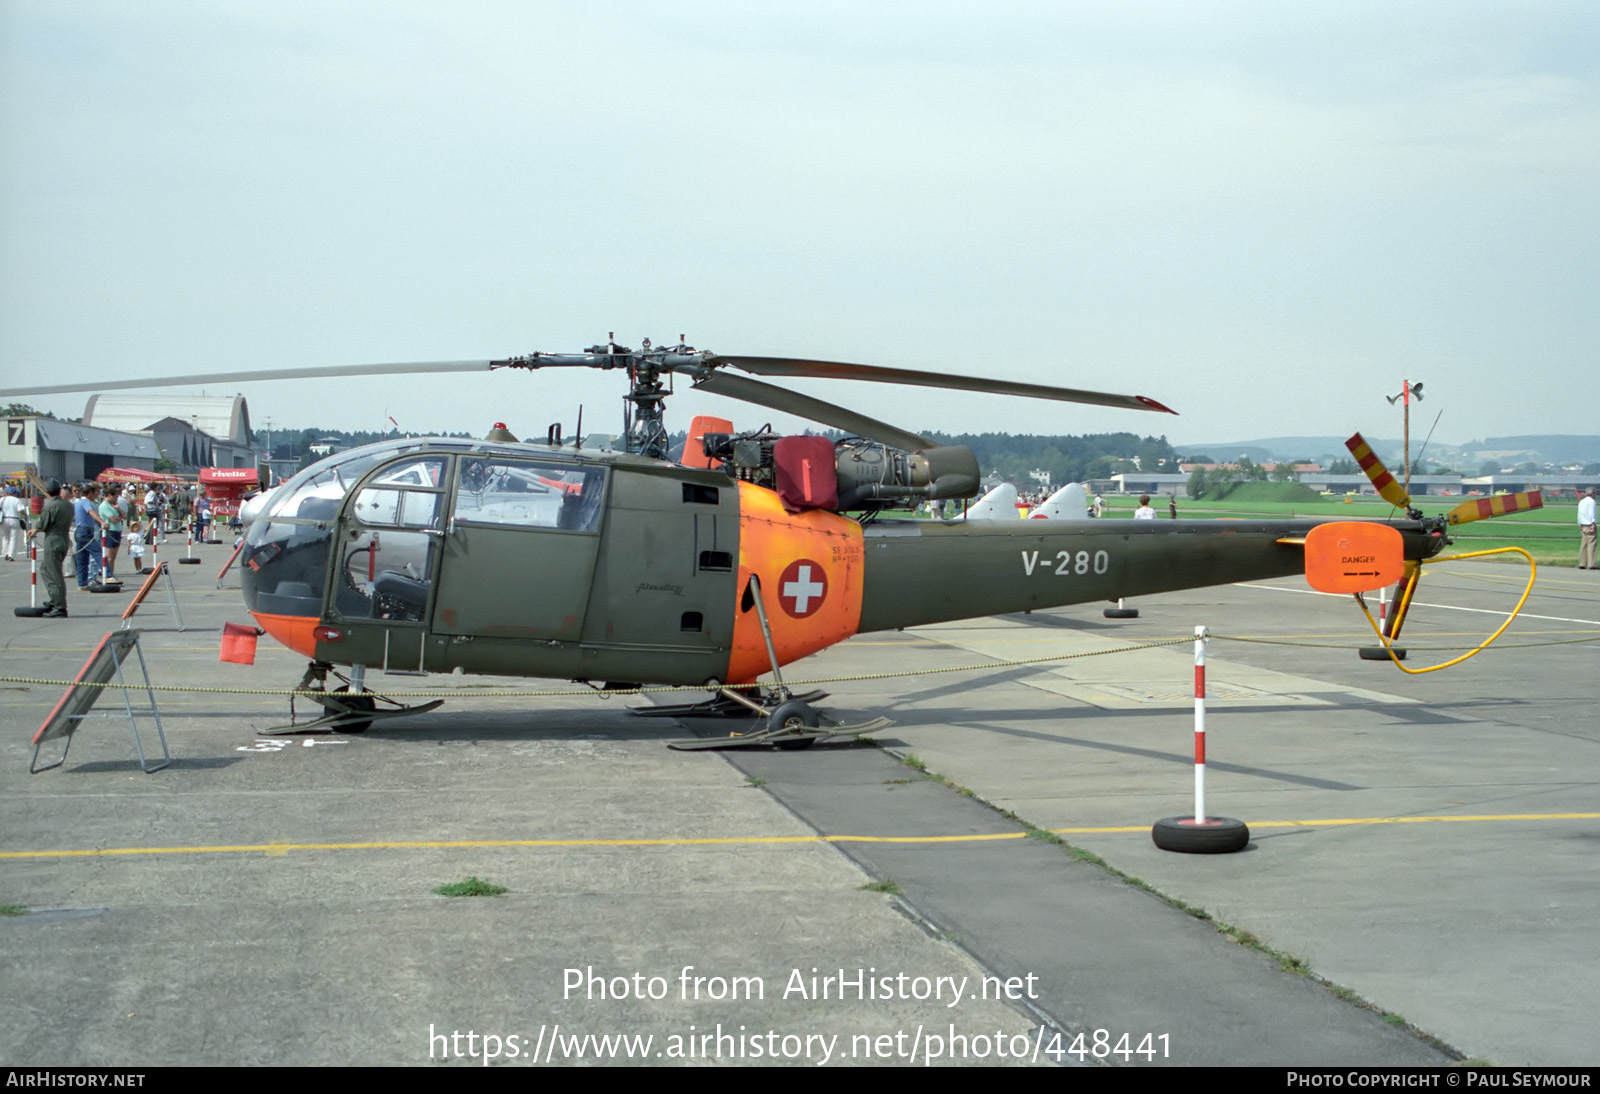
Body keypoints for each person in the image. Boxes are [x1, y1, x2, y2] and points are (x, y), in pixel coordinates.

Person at [28, 480, 72, 616]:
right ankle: (55, 599)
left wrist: (35, 529)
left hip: (53, 539)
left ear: (47, 491)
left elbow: (43, 524)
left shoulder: (50, 506)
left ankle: (59, 607)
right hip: (64, 538)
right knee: (46, 569)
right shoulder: (68, 505)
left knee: (54, 574)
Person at [73, 483, 106, 587]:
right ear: (90, 493)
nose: (97, 494)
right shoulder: (86, 502)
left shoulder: (82, 502)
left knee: (82, 559)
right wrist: (102, 522)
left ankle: (82, 583)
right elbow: (91, 512)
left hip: (82, 530)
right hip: (86, 531)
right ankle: (108, 575)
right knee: (98, 553)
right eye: (95, 492)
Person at [99, 484, 124, 581]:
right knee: (109, 557)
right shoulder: (104, 506)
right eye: (115, 497)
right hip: (110, 532)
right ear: (109, 495)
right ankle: (107, 575)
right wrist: (119, 517)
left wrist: (118, 510)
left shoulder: (113, 506)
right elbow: (113, 519)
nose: (116, 499)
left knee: (113, 558)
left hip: (117, 532)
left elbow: (124, 516)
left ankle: (111, 574)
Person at [1, 486, 25, 561]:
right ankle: (11, 554)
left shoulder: (2, 499)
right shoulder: (17, 500)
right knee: (13, 538)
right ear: (15, 493)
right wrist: (25, 514)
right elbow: (20, 510)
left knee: (5, 537)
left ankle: (5, 553)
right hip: (14, 519)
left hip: (4, 519)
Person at [1579, 488, 1597, 570]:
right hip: (1589, 524)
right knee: (1592, 544)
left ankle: (1582, 563)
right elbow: (1591, 513)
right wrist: (1592, 523)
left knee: (1584, 544)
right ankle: (1591, 564)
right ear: (1592, 494)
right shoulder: (1591, 502)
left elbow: (1580, 513)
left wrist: (1580, 525)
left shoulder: (1582, 501)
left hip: (1583, 524)